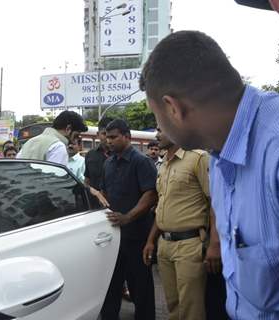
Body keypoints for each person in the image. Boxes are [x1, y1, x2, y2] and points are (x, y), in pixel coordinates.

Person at [139, 30, 279, 319]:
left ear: (172, 108)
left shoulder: (276, 149)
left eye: (156, 118)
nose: (159, 129)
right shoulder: (218, 153)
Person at [142, 127, 222, 320]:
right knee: (173, 306)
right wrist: (151, 240)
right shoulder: (164, 164)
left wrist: (214, 244)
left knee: (190, 308)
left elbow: (216, 203)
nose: (157, 135)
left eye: (161, 130)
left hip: (190, 244)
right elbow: (163, 205)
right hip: (165, 245)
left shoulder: (198, 158)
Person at [100, 119, 158, 320]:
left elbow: (151, 194)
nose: (109, 141)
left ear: (127, 137)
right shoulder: (108, 163)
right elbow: (104, 194)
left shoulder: (142, 162)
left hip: (137, 238)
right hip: (113, 238)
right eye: (108, 137)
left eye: (114, 137)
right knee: (111, 286)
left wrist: (127, 217)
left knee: (140, 289)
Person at [17, 110, 88, 166]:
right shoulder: (58, 146)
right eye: (76, 136)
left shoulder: (29, 143)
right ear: (68, 129)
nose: (75, 141)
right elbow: (57, 180)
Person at [84, 117, 113, 207]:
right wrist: (94, 192)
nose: (107, 138)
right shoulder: (90, 155)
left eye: (111, 135)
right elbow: (87, 181)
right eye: (104, 134)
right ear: (98, 134)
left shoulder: (121, 155)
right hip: (95, 208)